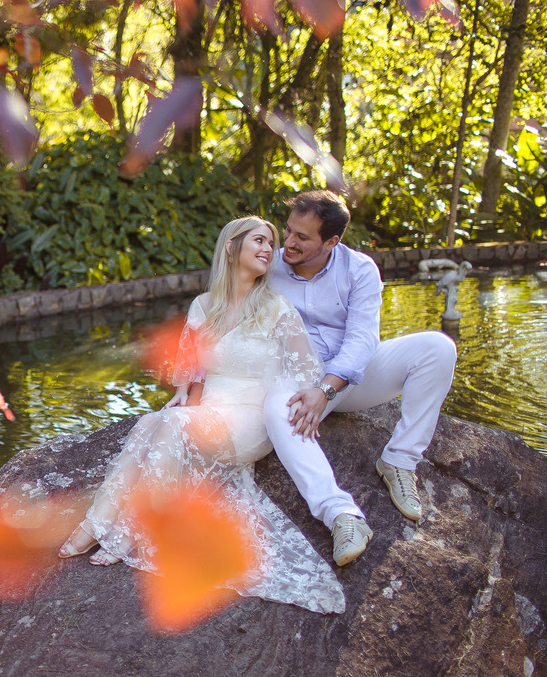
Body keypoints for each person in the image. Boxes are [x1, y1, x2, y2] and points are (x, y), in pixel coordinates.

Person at [58, 216, 346, 615]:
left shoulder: (277, 309)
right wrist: (183, 394)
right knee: (150, 422)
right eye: (259, 241)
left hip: (251, 419)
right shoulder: (204, 305)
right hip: (210, 411)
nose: (269, 249)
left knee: (171, 424)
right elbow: (192, 369)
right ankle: (100, 526)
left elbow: (304, 374)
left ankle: (120, 531)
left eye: (271, 243)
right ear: (231, 248)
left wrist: (304, 402)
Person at [265, 190, 457, 565]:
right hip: (295, 383)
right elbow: (222, 312)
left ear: (332, 241)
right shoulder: (267, 266)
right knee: (275, 408)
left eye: (302, 238)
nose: (288, 242)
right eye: (288, 231)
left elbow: (363, 338)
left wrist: (327, 387)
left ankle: (399, 460)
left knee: (438, 347)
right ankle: (342, 514)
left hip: (348, 381)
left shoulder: (360, 269)